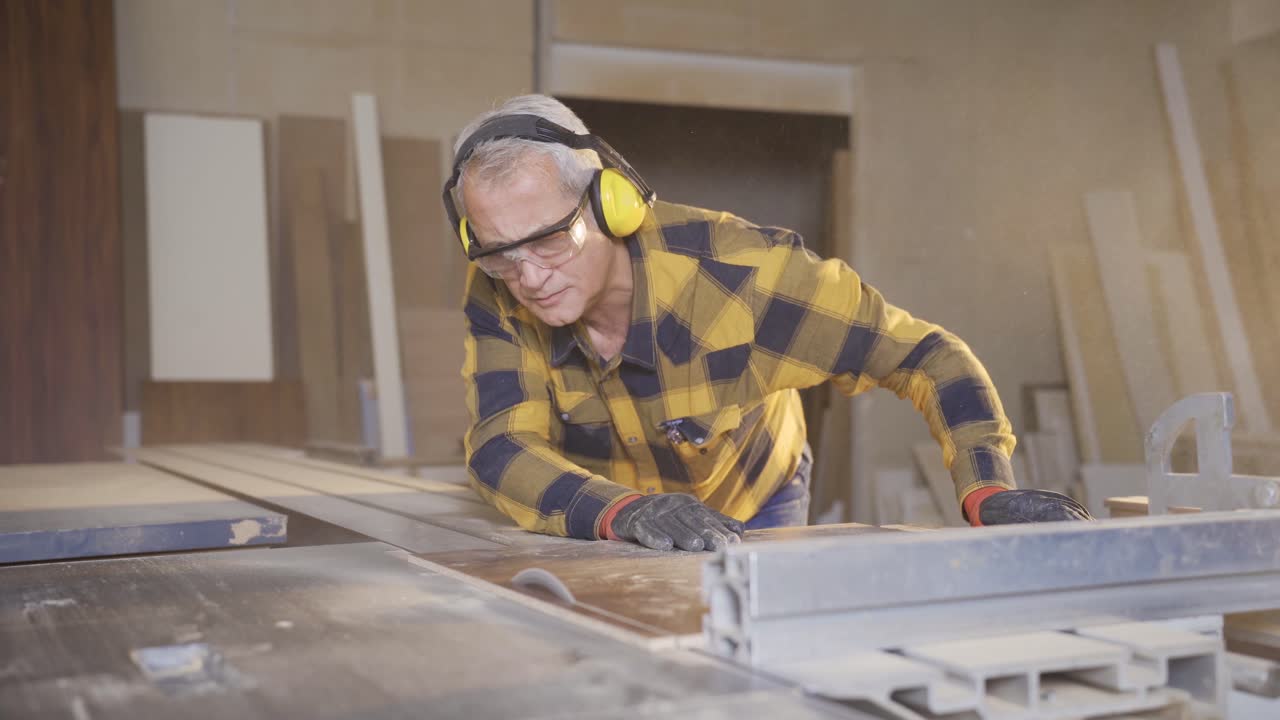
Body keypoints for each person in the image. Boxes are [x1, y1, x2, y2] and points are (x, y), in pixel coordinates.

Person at [446, 95, 1091, 552]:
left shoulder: (743, 276)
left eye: (550, 241)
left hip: (759, 491)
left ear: (609, 203)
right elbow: (502, 445)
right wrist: (621, 511)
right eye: (502, 252)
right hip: (622, 509)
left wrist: (985, 488)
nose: (528, 276)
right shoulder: (497, 286)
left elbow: (929, 357)